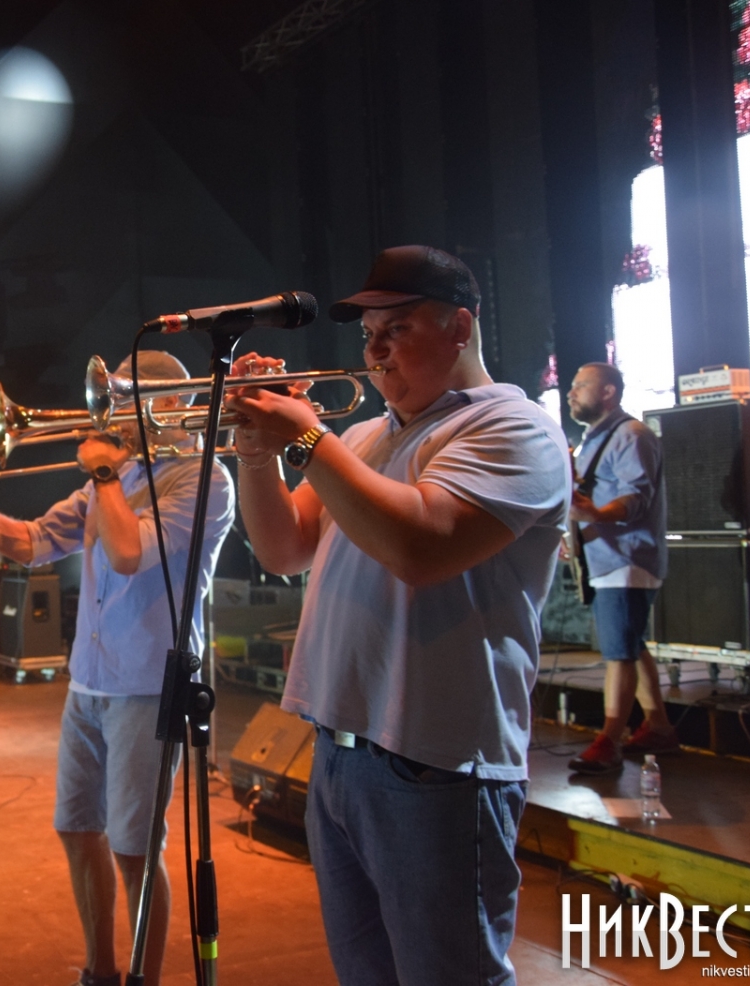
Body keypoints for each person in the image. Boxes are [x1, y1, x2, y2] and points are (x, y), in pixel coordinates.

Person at [225, 246, 570, 985]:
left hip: (435, 764)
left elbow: (421, 545)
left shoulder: (516, 427)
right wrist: (256, 452)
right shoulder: (362, 438)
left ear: (460, 328)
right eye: (367, 335)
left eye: (398, 328)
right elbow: (285, 549)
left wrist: (305, 438)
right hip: (338, 753)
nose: (375, 351)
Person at [0, 350, 234, 986]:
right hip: (87, 683)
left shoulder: (204, 480)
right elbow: (33, 542)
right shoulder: (113, 477)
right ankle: (100, 970)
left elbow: (128, 552)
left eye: (124, 395)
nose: (109, 411)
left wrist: (105, 474)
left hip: (148, 687)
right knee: (76, 829)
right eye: (110, 394)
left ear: (174, 403)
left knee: (134, 850)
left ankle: (143, 980)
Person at [565, 362, 675, 773]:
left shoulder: (632, 435)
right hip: (606, 559)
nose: (571, 393)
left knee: (618, 653)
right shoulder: (596, 439)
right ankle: (659, 727)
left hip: (627, 559)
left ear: (609, 391)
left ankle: (609, 741)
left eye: (580, 385)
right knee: (630, 643)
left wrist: (594, 514)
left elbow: (635, 497)